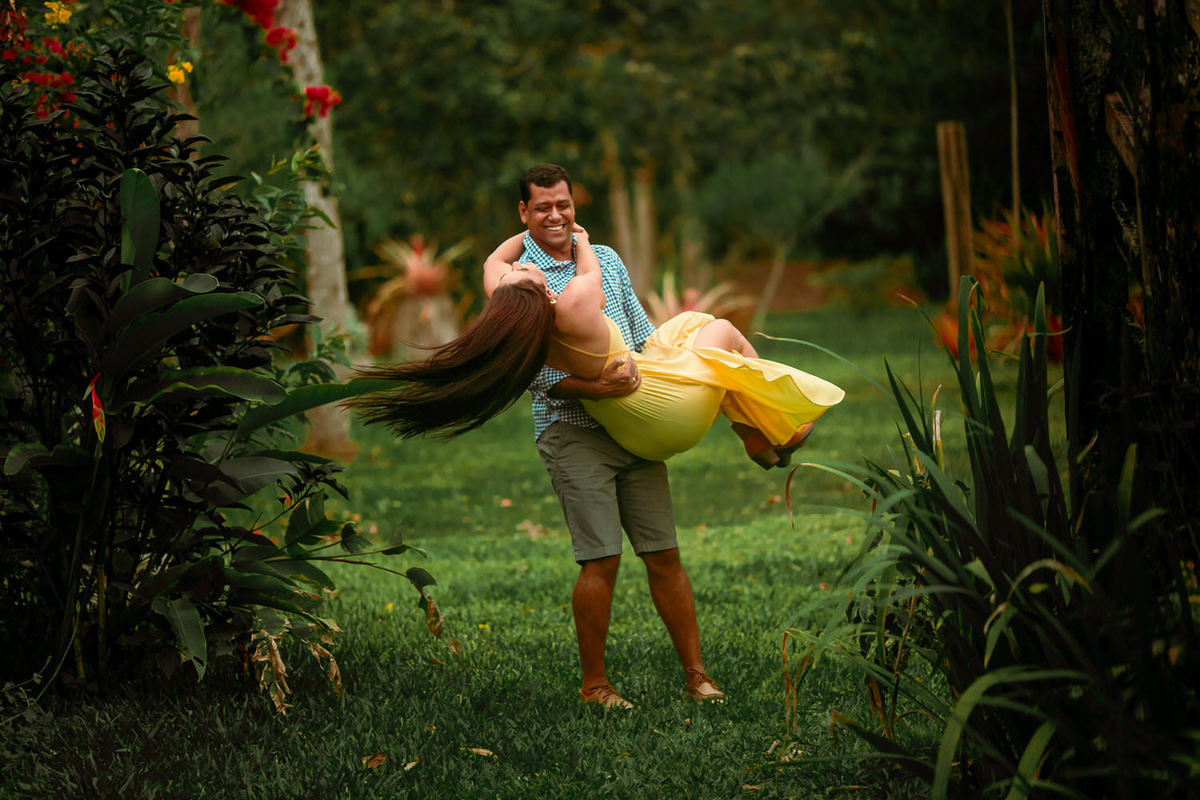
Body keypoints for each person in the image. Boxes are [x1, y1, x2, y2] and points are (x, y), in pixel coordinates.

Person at [350, 164, 843, 709]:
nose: (555, 215)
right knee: (601, 559)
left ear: (572, 204)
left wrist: (656, 371)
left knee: (664, 552)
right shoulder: (520, 287)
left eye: (563, 204)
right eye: (542, 207)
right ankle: (595, 686)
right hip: (574, 433)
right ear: (523, 213)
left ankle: (698, 676)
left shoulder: (604, 259)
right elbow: (536, 380)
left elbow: (636, 326)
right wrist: (597, 388)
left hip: (637, 413)